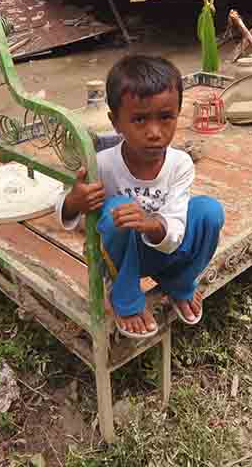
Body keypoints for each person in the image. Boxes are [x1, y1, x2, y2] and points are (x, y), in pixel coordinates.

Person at [57, 55, 225, 339]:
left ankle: (179, 282)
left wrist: (149, 223)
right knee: (117, 209)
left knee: (209, 211)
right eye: (139, 119)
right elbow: (62, 207)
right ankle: (125, 299)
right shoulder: (103, 164)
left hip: (167, 249)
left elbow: (175, 223)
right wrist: (76, 201)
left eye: (165, 117)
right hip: (124, 261)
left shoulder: (180, 163)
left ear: (178, 113)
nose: (154, 132)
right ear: (116, 122)